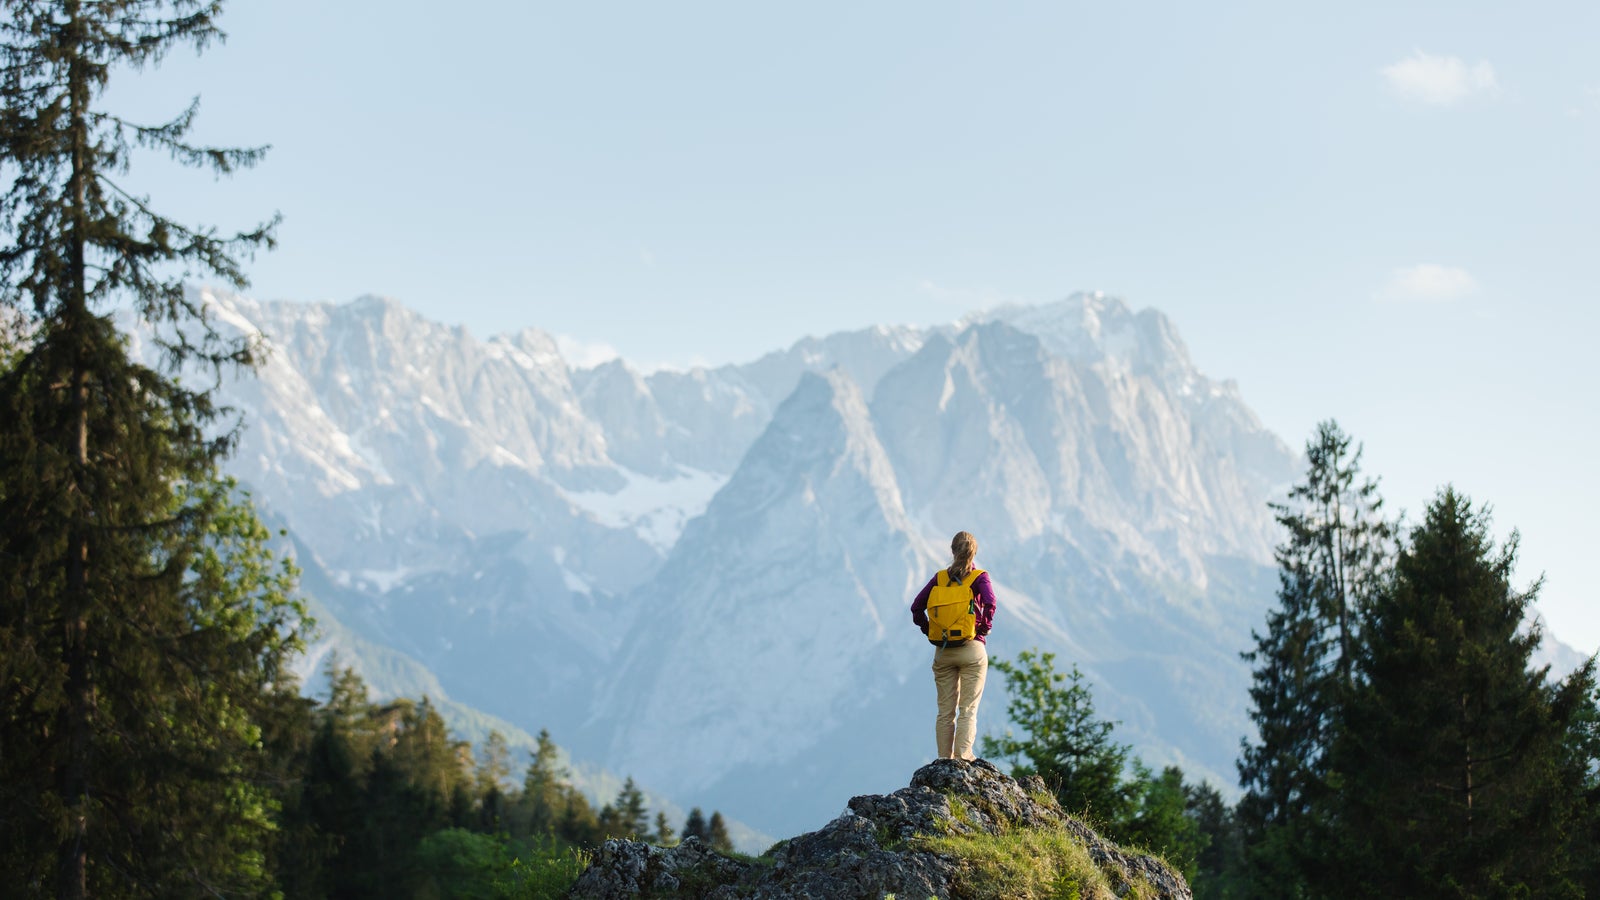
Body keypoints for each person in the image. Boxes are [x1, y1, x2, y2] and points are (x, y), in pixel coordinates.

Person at [910, 531, 996, 761]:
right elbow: (990, 603)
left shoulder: (939, 579)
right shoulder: (979, 577)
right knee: (968, 709)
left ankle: (943, 759)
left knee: (945, 712)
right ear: (974, 552)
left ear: (952, 550)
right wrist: (983, 628)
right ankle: (963, 756)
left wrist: (929, 630)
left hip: (943, 651)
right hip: (971, 648)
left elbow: (916, 607)